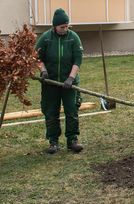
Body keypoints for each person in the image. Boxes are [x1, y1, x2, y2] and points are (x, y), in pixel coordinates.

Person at [36, 8, 84, 154]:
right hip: (50, 83)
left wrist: (71, 77)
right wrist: (43, 70)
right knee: (51, 112)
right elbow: (37, 57)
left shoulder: (73, 37)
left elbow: (78, 59)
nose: (65, 29)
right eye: (62, 27)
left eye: (66, 26)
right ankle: (53, 142)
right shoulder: (45, 38)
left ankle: (72, 140)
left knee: (71, 110)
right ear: (54, 26)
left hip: (69, 83)